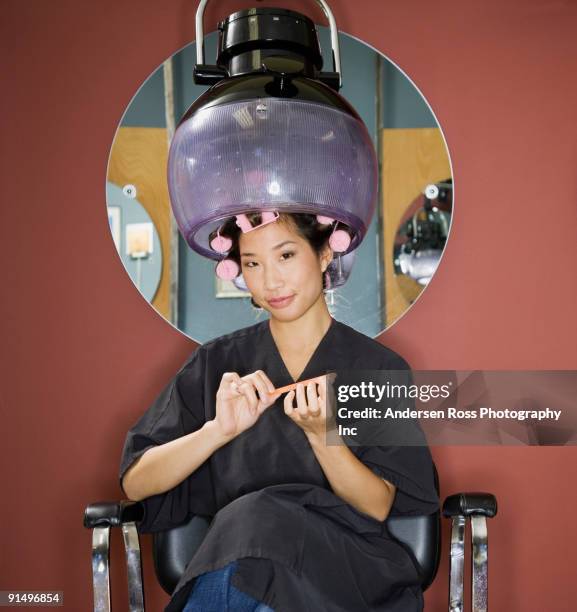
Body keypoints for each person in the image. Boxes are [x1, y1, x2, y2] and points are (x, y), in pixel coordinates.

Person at [119, 212, 439, 611]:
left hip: (344, 571)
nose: (270, 281)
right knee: (255, 559)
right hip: (243, 566)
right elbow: (136, 484)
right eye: (253, 263)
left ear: (324, 254)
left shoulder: (379, 370)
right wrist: (217, 431)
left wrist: (326, 438)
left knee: (257, 516)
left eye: (285, 256)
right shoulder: (217, 365)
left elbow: (375, 506)